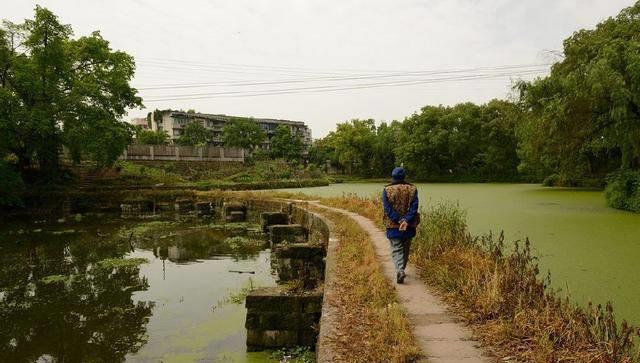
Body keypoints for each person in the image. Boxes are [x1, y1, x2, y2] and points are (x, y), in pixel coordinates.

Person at [382, 167, 419, 284]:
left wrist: (398, 220)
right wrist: (406, 220)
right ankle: (401, 269)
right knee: (406, 248)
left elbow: (387, 209)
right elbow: (414, 207)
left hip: (393, 225)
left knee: (397, 248)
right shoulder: (412, 189)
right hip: (409, 225)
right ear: (404, 176)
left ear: (393, 177)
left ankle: (400, 270)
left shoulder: (387, 189)